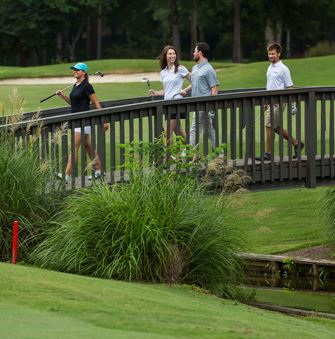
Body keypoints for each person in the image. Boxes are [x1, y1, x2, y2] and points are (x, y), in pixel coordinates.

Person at [56, 62, 108, 182]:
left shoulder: (87, 86)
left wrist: (104, 120)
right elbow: (74, 104)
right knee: (88, 146)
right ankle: (99, 171)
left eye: (77, 70)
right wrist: (62, 96)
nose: (75, 71)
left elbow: (96, 103)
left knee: (73, 147)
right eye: (74, 69)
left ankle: (67, 175)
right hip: (77, 120)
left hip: (83, 120)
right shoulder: (76, 85)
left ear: (84, 72)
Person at [257, 42, 304, 161]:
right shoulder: (270, 67)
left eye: (273, 54)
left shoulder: (284, 69)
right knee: (276, 127)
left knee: (268, 126)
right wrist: (266, 102)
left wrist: (293, 105)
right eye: (269, 54)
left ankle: (268, 154)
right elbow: (270, 86)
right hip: (270, 101)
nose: (271, 56)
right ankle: (297, 143)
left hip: (279, 101)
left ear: (279, 53)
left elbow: (290, 87)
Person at [180, 42, 219, 153]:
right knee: (209, 131)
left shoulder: (209, 69)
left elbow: (214, 88)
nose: (193, 53)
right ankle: (221, 154)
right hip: (196, 105)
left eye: (195, 51)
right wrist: (185, 90)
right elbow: (194, 84)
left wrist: (211, 107)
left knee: (194, 130)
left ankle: (184, 156)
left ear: (200, 53)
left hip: (204, 105)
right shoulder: (195, 68)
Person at [149, 45, 190, 143]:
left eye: (174, 53)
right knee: (179, 133)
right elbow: (165, 91)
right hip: (167, 105)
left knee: (167, 132)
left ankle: (168, 158)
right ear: (165, 56)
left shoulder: (180, 68)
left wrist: (184, 90)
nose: (173, 56)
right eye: (170, 54)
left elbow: (194, 82)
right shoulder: (163, 72)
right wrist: (156, 93)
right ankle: (195, 154)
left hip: (177, 103)